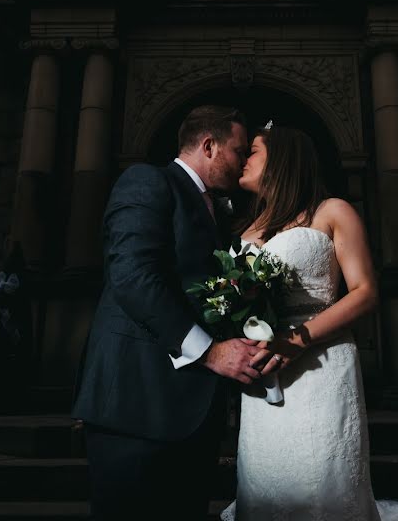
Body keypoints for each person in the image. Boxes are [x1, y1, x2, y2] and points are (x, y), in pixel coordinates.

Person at [221, 125, 398, 521]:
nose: (244, 159)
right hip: (264, 369)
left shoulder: (332, 211)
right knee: (265, 483)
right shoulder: (248, 231)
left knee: (319, 483)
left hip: (320, 363)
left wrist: (297, 339)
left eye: (253, 151)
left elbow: (365, 292)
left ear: (281, 159)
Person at [72, 105, 271, 520]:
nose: (241, 163)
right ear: (209, 146)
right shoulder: (148, 181)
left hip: (194, 413)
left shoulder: (221, 210)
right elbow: (132, 276)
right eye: (238, 151)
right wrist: (212, 352)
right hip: (136, 401)